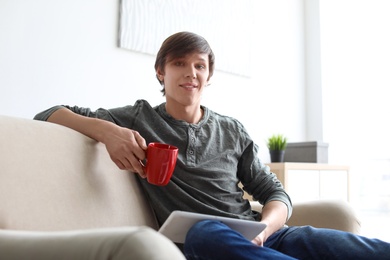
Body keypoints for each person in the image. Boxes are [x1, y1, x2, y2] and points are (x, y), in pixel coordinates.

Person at [34, 31, 390, 259]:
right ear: (161, 71)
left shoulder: (232, 130)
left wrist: (265, 229)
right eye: (179, 64)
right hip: (204, 244)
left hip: (260, 239)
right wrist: (107, 131)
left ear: (208, 75)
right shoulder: (139, 118)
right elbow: (47, 114)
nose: (190, 73)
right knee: (204, 232)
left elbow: (276, 194)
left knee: (326, 241)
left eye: (199, 65)